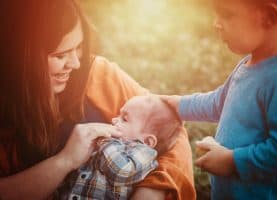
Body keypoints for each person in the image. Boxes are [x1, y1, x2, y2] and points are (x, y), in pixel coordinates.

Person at [0, 1, 196, 200]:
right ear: (22, 58)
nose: (76, 64)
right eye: (60, 55)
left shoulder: (97, 74)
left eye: (78, 47)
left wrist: (150, 192)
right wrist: (65, 161)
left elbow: (173, 133)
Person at [162, 0, 277, 199]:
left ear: (268, 17)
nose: (216, 23)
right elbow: (220, 102)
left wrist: (232, 162)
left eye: (226, 14)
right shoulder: (248, 64)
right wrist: (180, 104)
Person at [62, 95, 182, 200]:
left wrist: (104, 140)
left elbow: (121, 171)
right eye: (119, 114)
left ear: (147, 141)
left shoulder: (144, 153)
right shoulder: (116, 145)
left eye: (124, 119)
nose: (114, 120)